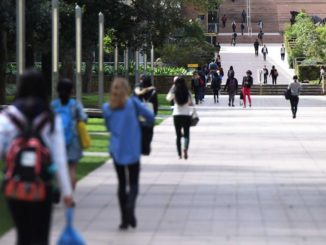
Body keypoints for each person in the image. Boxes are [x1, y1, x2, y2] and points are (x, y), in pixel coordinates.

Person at [0, 70, 73, 245]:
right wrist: (67, 192)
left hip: (15, 183)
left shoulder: (8, 116)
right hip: (42, 183)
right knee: (40, 236)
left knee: (23, 235)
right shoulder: (50, 118)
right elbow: (59, 158)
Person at [102, 77, 155, 230]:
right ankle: (131, 205)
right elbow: (150, 117)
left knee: (121, 183)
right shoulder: (133, 103)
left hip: (117, 149)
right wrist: (141, 123)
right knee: (133, 183)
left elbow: (108, 127)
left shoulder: (107, 107)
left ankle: (124, 219)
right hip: (132, 147)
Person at [52, 79, 88, 191]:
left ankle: (58, 188)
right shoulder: (75, 105)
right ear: (71, 91)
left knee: (58, 166)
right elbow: (84, 119)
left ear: (57, 90)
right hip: (73, 140)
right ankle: (69, 195)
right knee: (72, 168)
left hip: (57, 140)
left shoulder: (54, 105)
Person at [166, 77, 193, 159]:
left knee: (178, 135)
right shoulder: (187, 92)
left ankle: (179, 154)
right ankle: (185, 148)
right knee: (186, 134)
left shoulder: (174, 91)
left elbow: (168, 98)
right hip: (186, 115)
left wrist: (172, 87)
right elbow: (191, 103)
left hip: (176, 115)